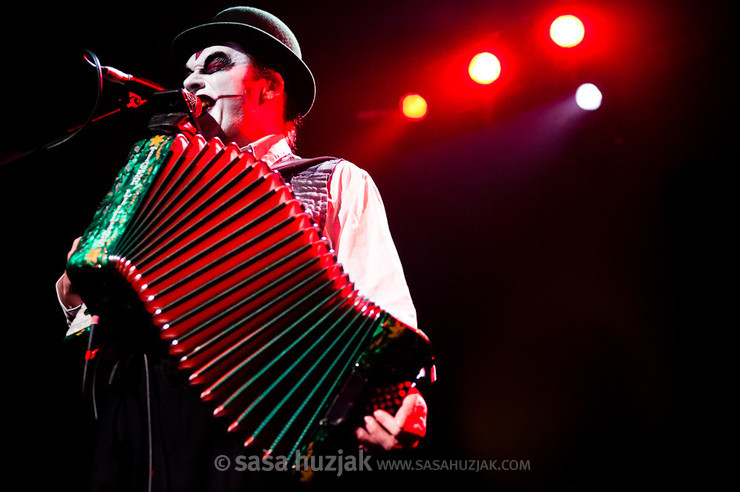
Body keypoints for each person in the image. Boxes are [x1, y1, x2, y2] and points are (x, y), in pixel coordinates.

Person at [56, 6, 428, 490]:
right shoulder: (153, 184)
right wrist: (73, 291)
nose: (190, 83)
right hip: (136, 423)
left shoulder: (333, 180)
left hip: (252, 426)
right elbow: (95, 313)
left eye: (214, 65)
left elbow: (387, 316)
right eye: (188, 72)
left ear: (269, 86)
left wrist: (405, 399)